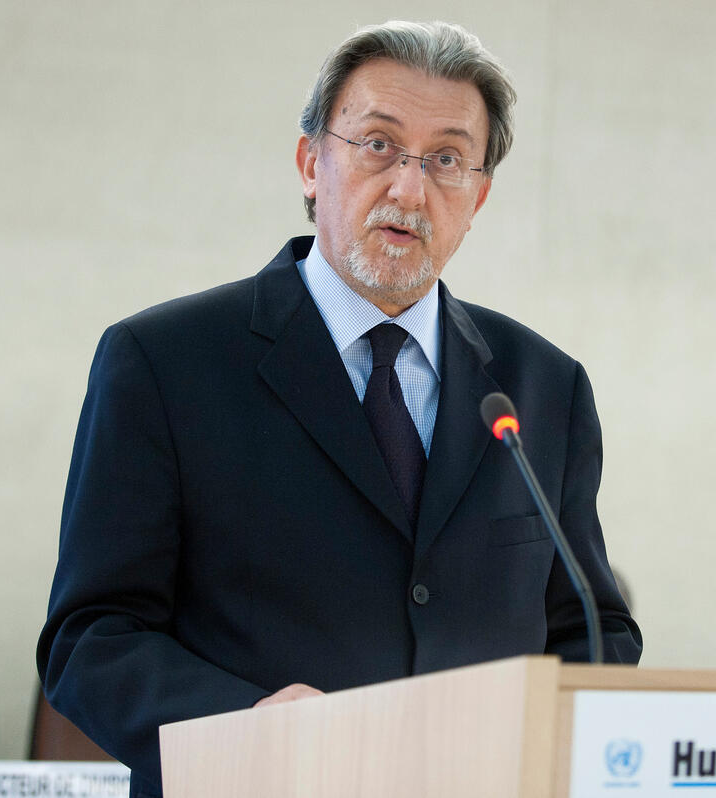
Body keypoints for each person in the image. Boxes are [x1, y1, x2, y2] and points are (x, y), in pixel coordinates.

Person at [36, 21, 641, 798]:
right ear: (310, 163)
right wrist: (249, 724)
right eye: (378, 145)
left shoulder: (544, 387)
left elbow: (592, 629)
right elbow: (91, 639)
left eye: (447, 159)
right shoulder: (162, 362)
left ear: (478, 196)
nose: (410, 191)